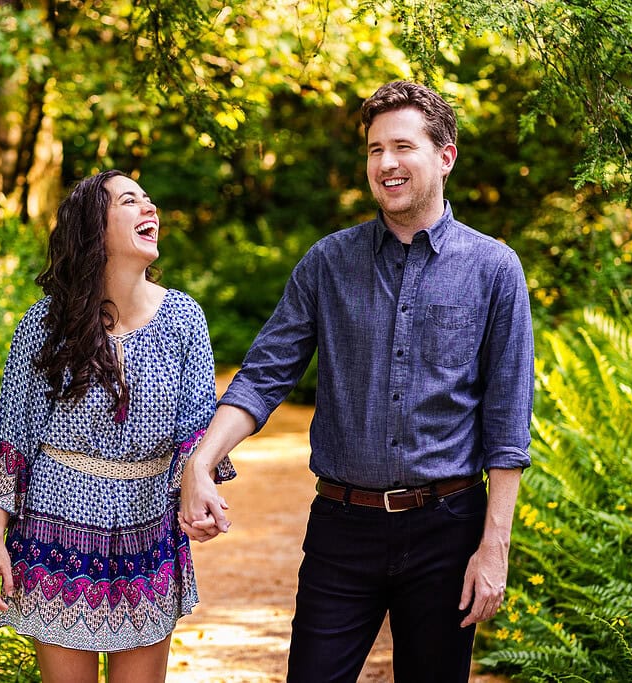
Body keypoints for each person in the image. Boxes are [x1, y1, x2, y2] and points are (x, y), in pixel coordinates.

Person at [179, 80, 535, 683]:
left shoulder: (494, 269)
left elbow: (506, 422)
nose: (386, 163)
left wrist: (492, 548)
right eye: (374, 150)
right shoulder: (328, 262)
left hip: (447, 528)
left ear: (445, 156)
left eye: (402, 146)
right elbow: (265, 375)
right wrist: (200, 461)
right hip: (343, 529)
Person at [0, 170, 234, 683]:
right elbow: (16, 436)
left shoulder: (184, 318)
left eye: (150, 199)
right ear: (95, 229)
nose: (149, 208)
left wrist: (198, 495)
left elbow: (195, 436)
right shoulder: (45, 324)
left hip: (149, 531)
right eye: (129, 201)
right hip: (56, 530)